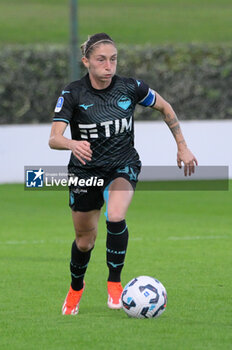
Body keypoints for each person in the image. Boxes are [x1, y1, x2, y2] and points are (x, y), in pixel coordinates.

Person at [49, 32, 198, 315]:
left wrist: (182, 146)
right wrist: (71, 142)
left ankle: (114, 284)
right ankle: (75, 289)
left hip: (123, 164)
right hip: (85, 172)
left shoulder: (130, 88)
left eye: (113, 59)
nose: (109, 66)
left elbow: (164, 106)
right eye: (101, 60)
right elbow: (54, 138)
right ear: (86, 62)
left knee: (115, 215)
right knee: (85, 241)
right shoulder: (73, 93)